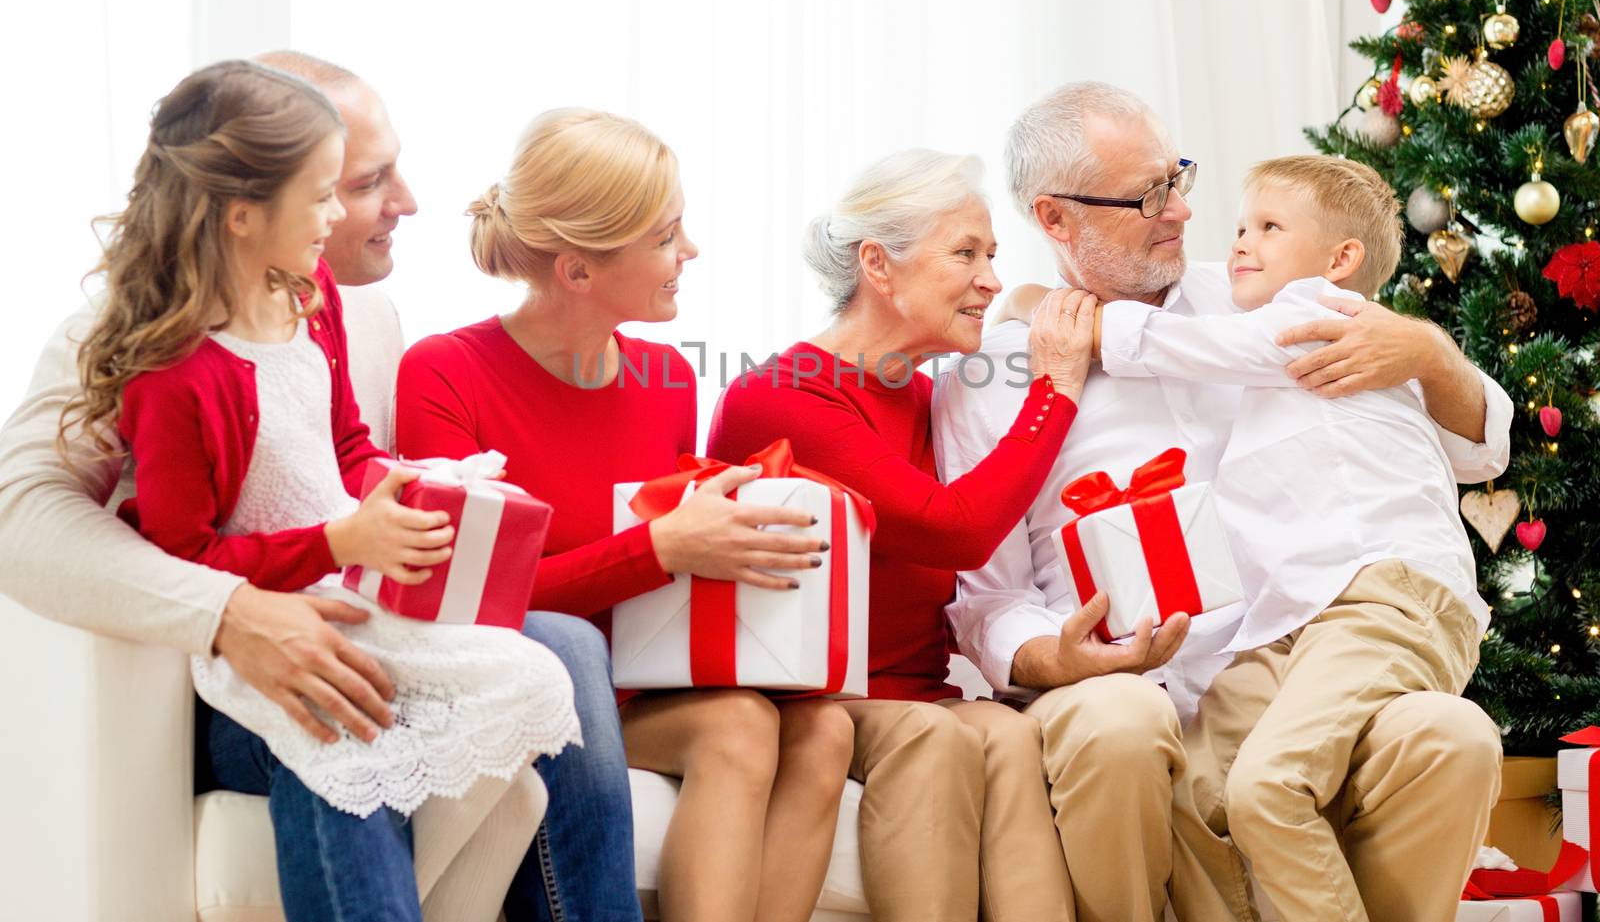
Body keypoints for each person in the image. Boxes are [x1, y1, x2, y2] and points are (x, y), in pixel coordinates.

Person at [0, 51, 643, 922]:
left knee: (563, 649)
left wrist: (416, 497)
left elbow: (339, 458)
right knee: (335, 702)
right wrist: (231, 609)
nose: (404, 203)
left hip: (335, 599)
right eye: (359, 181)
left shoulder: (344, 307)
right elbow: (26, 517)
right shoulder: (139, 343)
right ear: (247, 208)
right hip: (226, 656)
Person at [935, 82, 1510, 922]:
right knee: (1126, 724)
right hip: (1132, 681)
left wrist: (1427, 349)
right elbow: (987, 597)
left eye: (1179, 176)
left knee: (1452, 736)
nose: (1184, 211)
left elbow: (1480, 446)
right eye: (1149, 195)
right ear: (1055, 219)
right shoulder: (994, 374)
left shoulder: (1256, 299)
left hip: (1294, 641)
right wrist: (1056, 660)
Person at [395, 107, 853, 922]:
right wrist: (663, 546)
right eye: (666, 236)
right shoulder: (444, 372)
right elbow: (466, 601)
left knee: (823, 731)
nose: (691, 252)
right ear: (577, 270)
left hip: (639, 682)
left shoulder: (667, 377)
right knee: (740, 729)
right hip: (531, 683)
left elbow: (665, 582)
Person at [706, 149, 1114, 922]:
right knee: (938, 734)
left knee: (1007, 731)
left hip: (909, 685)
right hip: (809, 695)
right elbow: (953, 530)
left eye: (992, 255)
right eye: (966, 253)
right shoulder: (787, 394)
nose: (991, 278)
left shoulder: (927, 394)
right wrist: (1055, 391)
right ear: (877, 266)